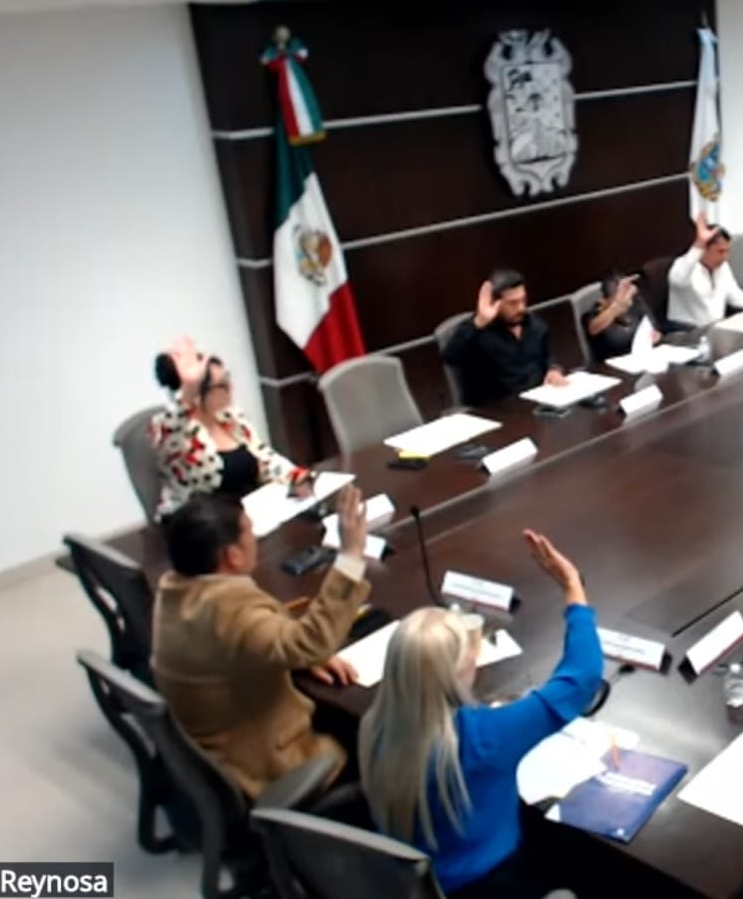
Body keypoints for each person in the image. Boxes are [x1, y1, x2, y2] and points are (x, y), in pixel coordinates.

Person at [359, 530, 603, 899]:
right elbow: (582, 677)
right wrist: (572, 588)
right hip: (491, 884)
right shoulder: (483, 737)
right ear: (458, 674)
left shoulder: (373, 725)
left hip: (409, 883)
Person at [151, 484, 371, 797]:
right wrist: (351, 556)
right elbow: (311, 643)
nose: (255, 539)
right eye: (249, 532)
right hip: (260, 761)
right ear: (231, 555)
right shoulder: (230, 610)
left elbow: (246, 643)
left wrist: (297, 655)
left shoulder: (177, 591)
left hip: (211, 746)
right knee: (379, 732)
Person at [150, 336, 312, 519]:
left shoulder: (231, 417)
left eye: (228, 379)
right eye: (221, 385)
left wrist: (295, 476)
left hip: (247, 513)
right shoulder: (169, 430)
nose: (230, 389)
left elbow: (265, 458)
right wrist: (189, 388)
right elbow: (174, 427)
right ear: (198, 393)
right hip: (200, 523)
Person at [442, 269, 567, 406]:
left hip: (538, 401)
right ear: (494, 302)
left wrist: (553, 370)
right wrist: (478, 323)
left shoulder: (535, 325)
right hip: (498, 409)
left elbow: (547, 356)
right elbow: (451, 357)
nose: (521, 308)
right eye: (513, 303)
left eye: (523, 300)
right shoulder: (478, 333)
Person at [667, 212, 743, 329]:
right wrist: (699, 243)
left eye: (727, 251)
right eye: (720, 251)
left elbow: (735, 296)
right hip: (688, 331)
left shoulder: (722, 266)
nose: (725, 257)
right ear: (704, 250)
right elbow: (678, 280)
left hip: (717, 327)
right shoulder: (684, 265)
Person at [581, 273, 658, 363]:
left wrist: (654, 336)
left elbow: (654, 327)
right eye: (619, 297)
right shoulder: (594, 315)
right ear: (603, 301)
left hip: (642, 358)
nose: (629, 303)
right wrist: (617, 306)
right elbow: (593, 329)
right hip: (613, 365)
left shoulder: (635, 303)